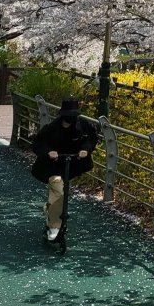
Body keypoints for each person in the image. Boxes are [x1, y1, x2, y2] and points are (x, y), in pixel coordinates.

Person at [30, 98, 98, 241]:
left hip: (72, 164)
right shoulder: (51, 128)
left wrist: (85, 150)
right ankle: (54, 225)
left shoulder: (83, 125)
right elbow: (37, 143)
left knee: (62, 191)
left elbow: (92, 139)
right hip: (52, 166)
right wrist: (49, 152)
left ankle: (50, 209)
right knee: (59, 190)